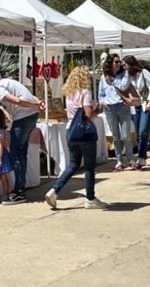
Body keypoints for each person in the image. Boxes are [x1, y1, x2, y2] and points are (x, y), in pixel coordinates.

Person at [0, 68, 44, 205]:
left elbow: (17, 100)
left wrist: (35, 104)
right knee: (21, 153)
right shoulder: (4, 82)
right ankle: (20, 188)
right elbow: (26, 95)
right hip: (29, 116)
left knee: (17, 154)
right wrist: (37, 104)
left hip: (23, 117)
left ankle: (19, 192)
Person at [45, 66, 107, 209]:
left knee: (73, 164)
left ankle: (54, 190)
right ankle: (90, 198)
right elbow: (89, 113)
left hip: (71, 132)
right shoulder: (85, 93)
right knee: (89, 166)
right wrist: (100, 108)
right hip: (84, 133)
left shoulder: (69, 93)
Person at [98, 54, 139, 172]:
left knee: (126, 136)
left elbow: (123, 86)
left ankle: (130, 159)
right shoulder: (103, 77)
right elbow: (101, 94)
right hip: (110, 108)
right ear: (110, 63)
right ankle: (119, 161)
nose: (118, 64)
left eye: (119, 62)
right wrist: (103, 102)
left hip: (123, 106)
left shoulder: (124, 74)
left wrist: (112, 81)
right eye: (116, 62)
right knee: (116, 136)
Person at [123, 55, 150, 169]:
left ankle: (141, 158)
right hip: (134, 107)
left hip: (145, 105)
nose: (124, 67)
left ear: (131, 64)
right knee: (138, 135)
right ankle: (143, 155)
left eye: (125, 64)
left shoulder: (144, 73)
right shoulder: (126, 76)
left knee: (143, 132)